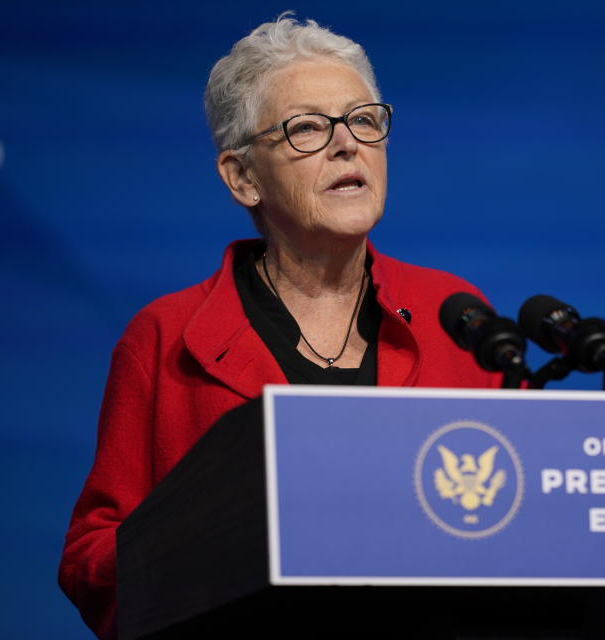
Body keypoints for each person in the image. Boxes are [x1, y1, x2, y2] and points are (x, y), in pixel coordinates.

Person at [58, 14, 501, 639]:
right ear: (242, 177)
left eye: (364, 119)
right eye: (309, 128)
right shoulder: (165, 336)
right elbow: (91, 561)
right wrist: (213, 545)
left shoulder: (456, 312)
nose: (348, 144)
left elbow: (520, 514)